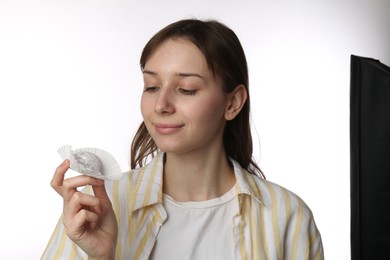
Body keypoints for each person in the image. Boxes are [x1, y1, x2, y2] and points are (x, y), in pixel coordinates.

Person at [42, 19, 324, 260]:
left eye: (187, 89)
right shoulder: (100, 204)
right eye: (151, 87)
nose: (161, 105)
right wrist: (101, 258)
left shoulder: (287, 215)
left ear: (233, 103)